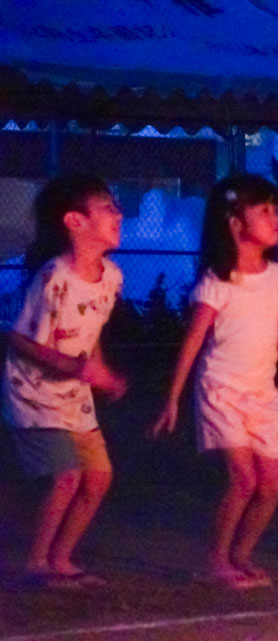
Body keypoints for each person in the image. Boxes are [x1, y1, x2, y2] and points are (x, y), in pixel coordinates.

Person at [150, 174, 278, 589]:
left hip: (262, 394)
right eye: (265, 211)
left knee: (272, 485)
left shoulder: (276, 277)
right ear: (236, 224)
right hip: (220, 392)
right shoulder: (217, 282)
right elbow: (193, 343)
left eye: (277, 210)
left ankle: (241, 554)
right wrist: (173, 398)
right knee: (244, 478)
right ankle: (215, 559)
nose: (277, 218)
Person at [3, 174, 127, 589]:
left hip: (74, 397)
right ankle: (37, 563)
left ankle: (62, 558)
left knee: (99, 477)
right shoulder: (55, 277)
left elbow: (89, 337)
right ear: (75, 221)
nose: (118, 213)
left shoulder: (111, 278)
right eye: (107, 207)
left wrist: (101, 372)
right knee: (66, 477)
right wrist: (72, 367)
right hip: (33, 395)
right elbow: (19, 339)